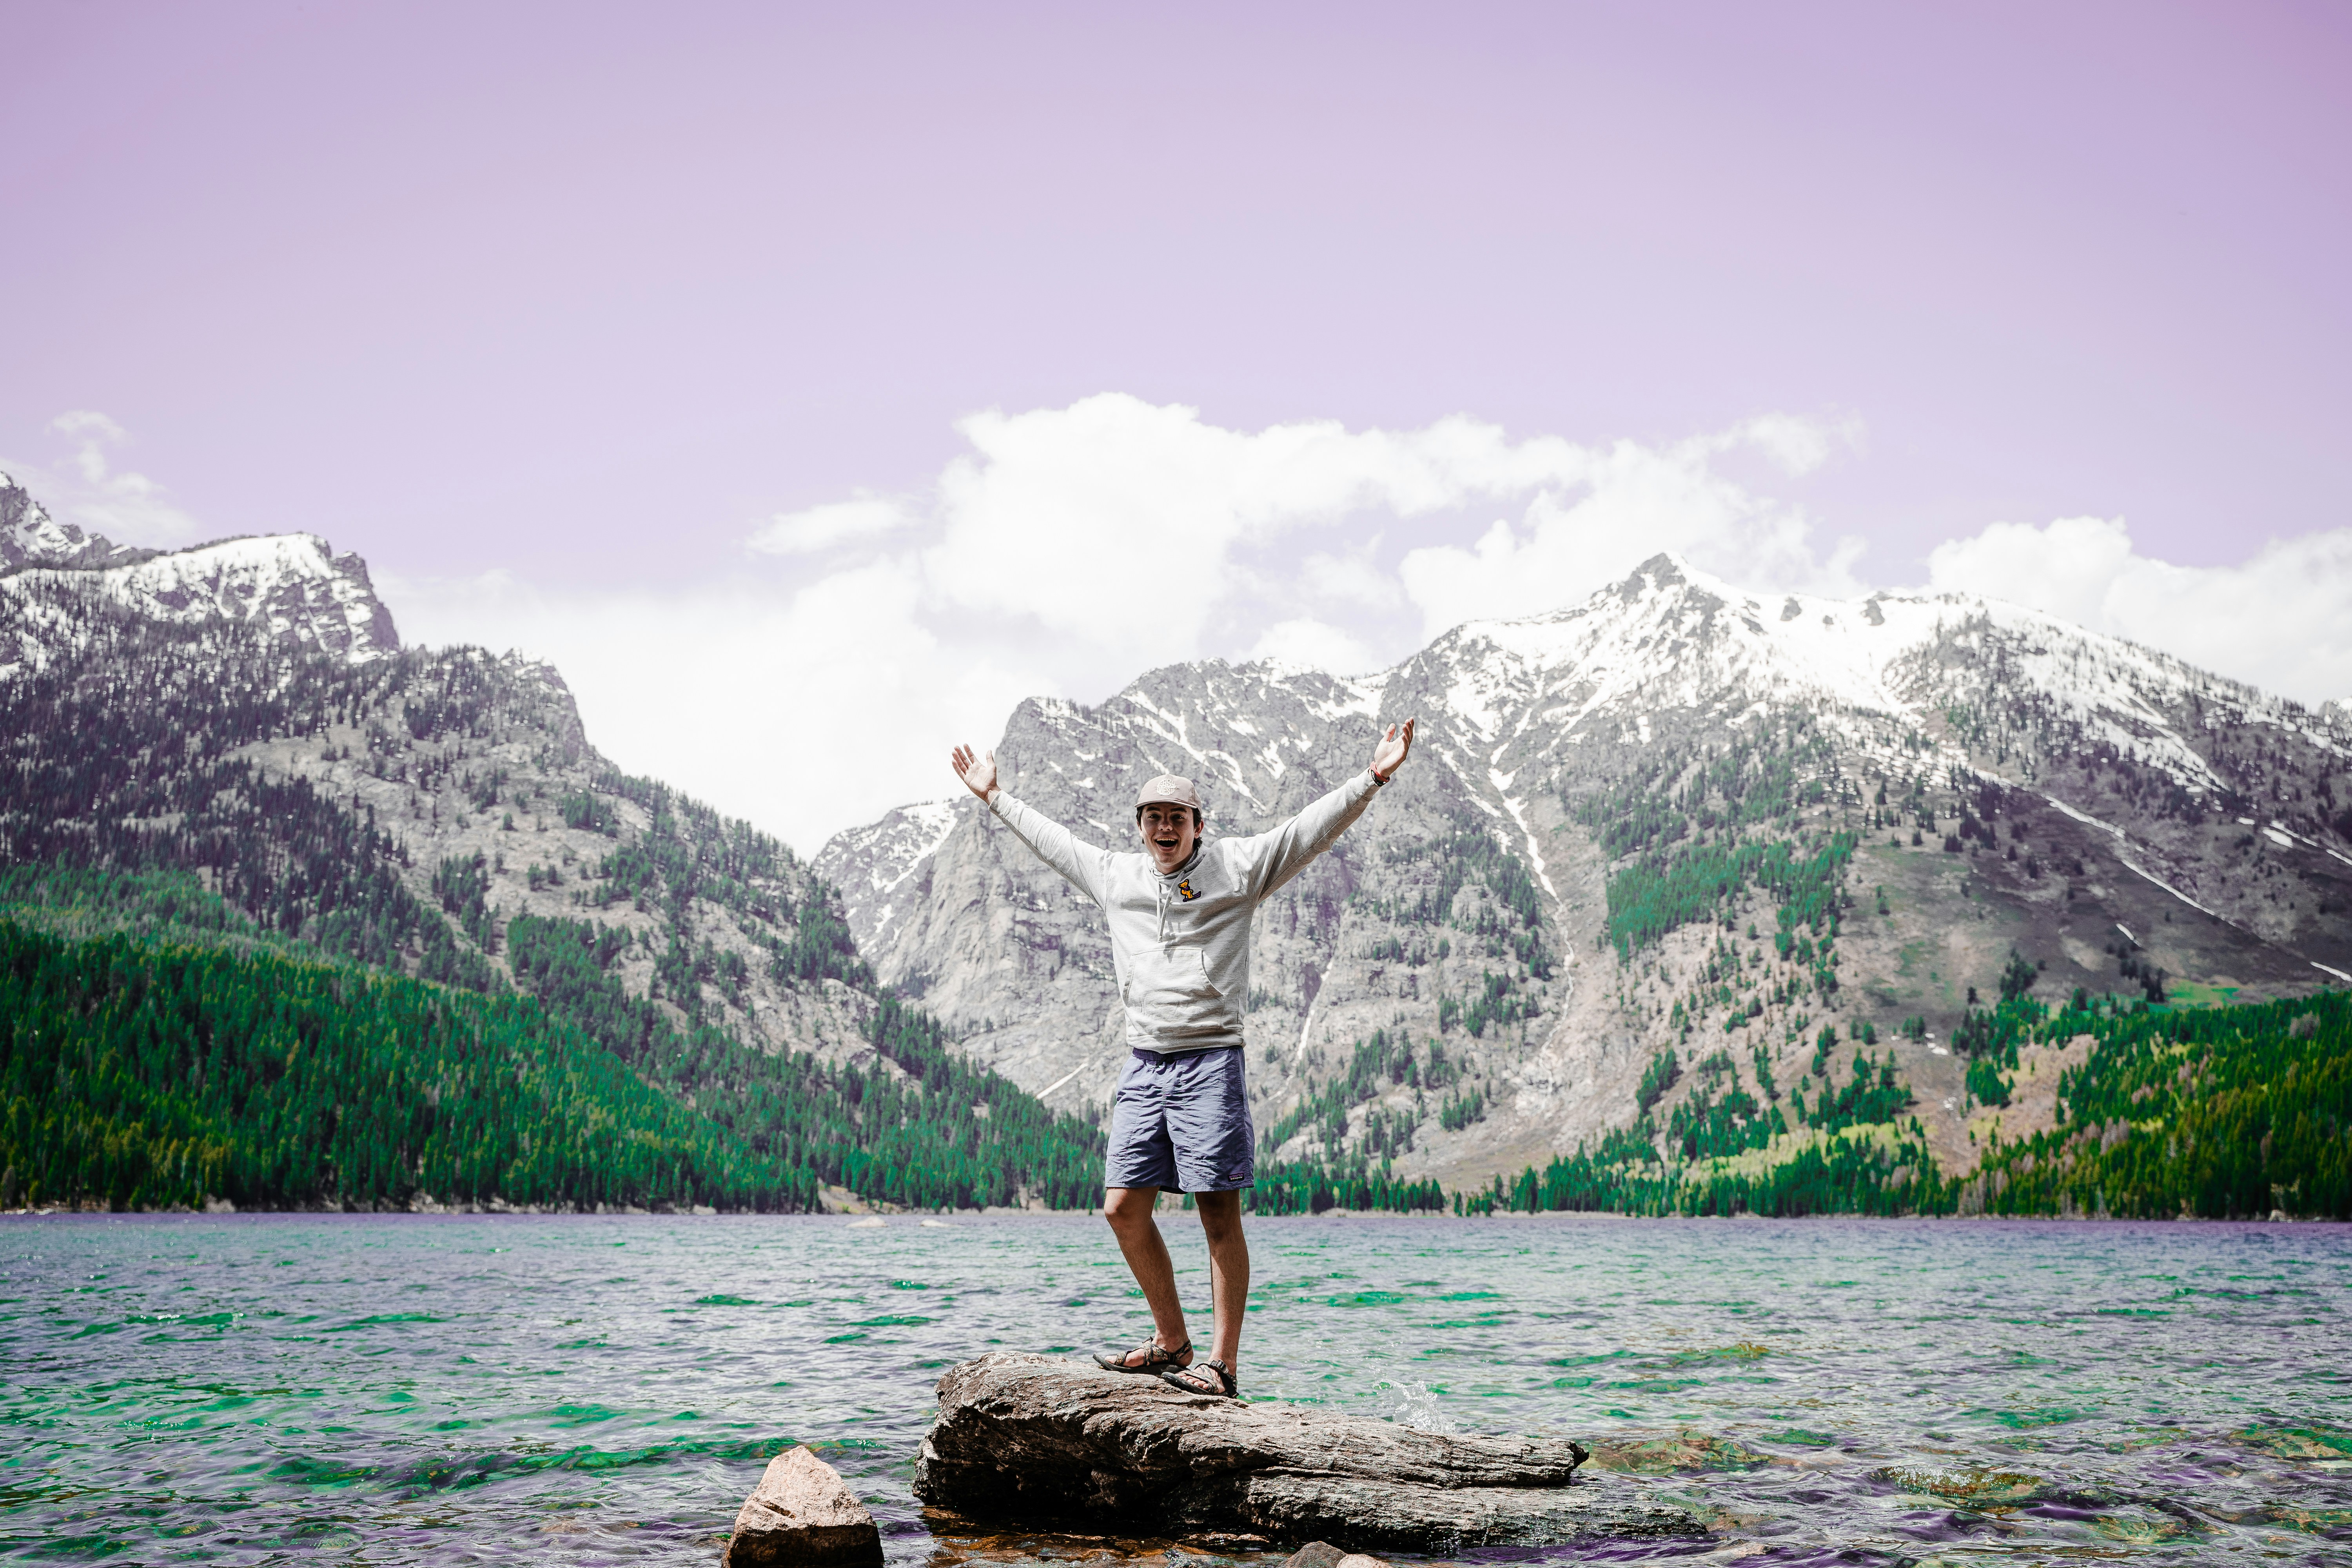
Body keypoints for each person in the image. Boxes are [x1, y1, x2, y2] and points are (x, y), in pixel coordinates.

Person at [949, 718, 1415, 1398]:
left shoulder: (1240, 868)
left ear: (1198, 823)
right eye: (1153, 818)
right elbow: (1055, 844)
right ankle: (1173, 1343)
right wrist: (994, 797)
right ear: (1140, 826)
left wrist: (1373, 777)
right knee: (1121, 1209)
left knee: (1216, 1213)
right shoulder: (1117, 876)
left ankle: (1221, 1367)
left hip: (1210, 1063)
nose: (1165, 829)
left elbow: (1309, 830)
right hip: (1144, 1065)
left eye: (1177, 818)